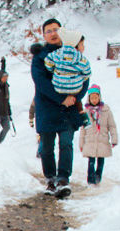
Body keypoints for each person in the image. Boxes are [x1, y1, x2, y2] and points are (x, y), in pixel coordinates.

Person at [30, 18, 89, 198]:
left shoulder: (73, 51)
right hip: (47, 107)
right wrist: (60, 98)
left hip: (68, 109)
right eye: (49, 31)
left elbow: (84, 77)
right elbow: (40, 82)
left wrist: (75, 97)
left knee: (66, 144)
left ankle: (63, 179)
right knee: (46, 146)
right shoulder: (40, 57)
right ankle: (50, 179)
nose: (53, 33)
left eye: (56, 30)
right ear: (44, 34)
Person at [44, 27, 91, 128]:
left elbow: (48, 62)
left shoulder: (57, 53)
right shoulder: (81, 58)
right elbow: (87, 72)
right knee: (77, 98)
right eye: (82, 44)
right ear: (76, 45)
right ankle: (83, 116)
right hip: (75, 89)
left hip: (58, 87)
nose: (84, 47)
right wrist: (81, 77)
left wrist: (54, 71)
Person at [79, 84, 118, 184]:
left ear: (99, 97)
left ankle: (98, 177)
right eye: (92, 98)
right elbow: (83, 129)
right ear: (89, 99)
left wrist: (114, 139)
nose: (94, 100)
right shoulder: (86, 112)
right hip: (90, 141)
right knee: (91, 161)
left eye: (96, 97)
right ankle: (90, 180)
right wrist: (81, 143)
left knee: (101, 160)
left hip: (102, 140)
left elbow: (112, 126)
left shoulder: (106, 111)